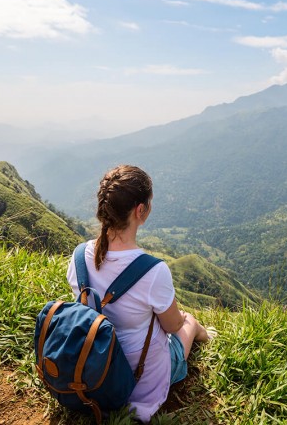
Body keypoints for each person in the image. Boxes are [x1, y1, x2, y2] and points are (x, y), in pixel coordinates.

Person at [66, 164, 211, 423]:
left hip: (91, 369)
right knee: (187, 321)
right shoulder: (153, 272)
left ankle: (204, 333)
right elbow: (171, 326)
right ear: (140, 210)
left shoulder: (78, 257)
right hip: (137, 379)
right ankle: (206, 336)